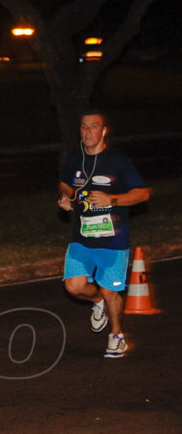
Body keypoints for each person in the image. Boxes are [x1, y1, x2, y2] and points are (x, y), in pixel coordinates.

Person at [57, 110, 150, 357]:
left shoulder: (118, 161)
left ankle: (117, 336)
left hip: (113, 240)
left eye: (94, 126)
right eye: (84, 127)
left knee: (111, 291)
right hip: (82, 239)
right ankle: (97, 302)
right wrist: (67, 197)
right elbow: (65, 183)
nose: (88, 132)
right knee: (74, 287)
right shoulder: (75, 159)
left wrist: (113, 198)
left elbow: (142, 193)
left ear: (104, 131)